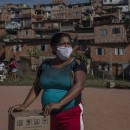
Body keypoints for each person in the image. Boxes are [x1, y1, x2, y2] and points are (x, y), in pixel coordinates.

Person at [9, 32, 87, 130]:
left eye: (68, 43)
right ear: (54, 48)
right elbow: (36, 87)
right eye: (62, 44)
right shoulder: (45, 65)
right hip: (48, 115)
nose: (67, 46)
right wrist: (24, 106)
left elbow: (80, 85)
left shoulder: (77, 63)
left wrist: (60, 103)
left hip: (70, 113)